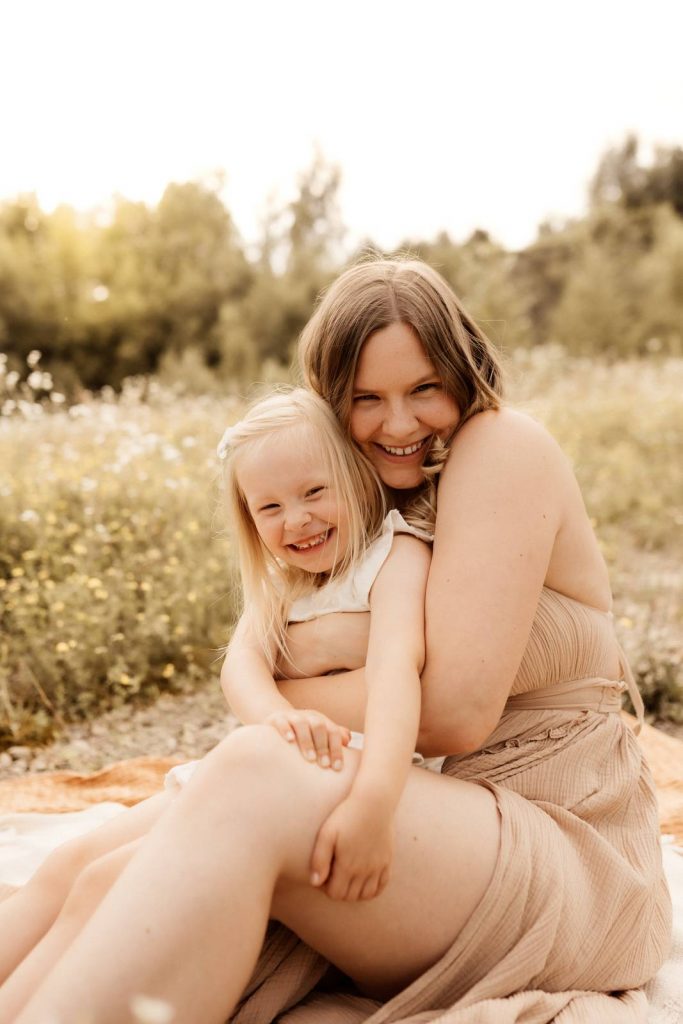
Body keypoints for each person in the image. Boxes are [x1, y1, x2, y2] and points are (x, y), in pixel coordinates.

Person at [3, 257, 672, 1024]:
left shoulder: (500, 447)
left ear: (465, 370)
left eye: (424, 388)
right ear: (331, 405)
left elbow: (452, 710)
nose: (397, 423)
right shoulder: (359, 514)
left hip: (565, 842)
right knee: (87, 871)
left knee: (254, 770)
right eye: (365, 399)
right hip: (446, 811)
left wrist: (290, 689)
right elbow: (263, 652)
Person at [0, 385, 434, 1018]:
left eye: (315, 492)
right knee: (69, 867)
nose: (297, 520)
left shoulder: (394, 557)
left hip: (341, 786)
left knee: (104, 884)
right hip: (267, 767)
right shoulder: (288, 583)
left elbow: (399, 675)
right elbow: (243, 665)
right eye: (270, 507)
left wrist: (373, 804)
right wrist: (278, 719)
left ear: (356, 477)